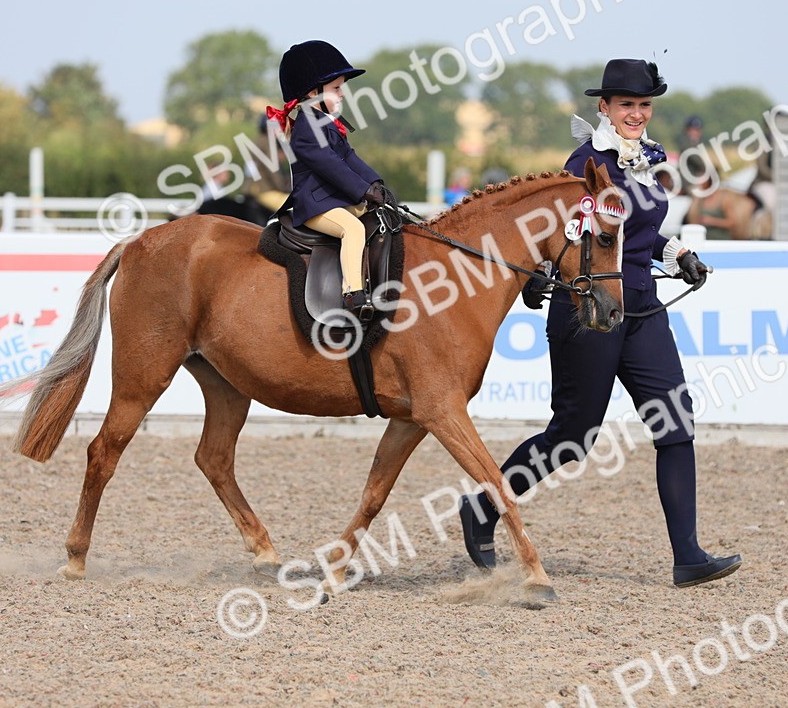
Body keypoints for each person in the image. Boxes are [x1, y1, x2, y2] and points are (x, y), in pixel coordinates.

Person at [458, 59, 742, 588]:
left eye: (644, 105)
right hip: (588, 311)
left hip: (641, 307)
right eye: (626, 105)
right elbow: (566, 235)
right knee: (573, 435)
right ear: (604, 108)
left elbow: (635, 232)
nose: (636, 114)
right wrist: (536, 275)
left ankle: (688, 556)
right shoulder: (586, 164)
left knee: (675, 424)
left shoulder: (646, 161)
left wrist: (676, 251)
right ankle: (484, 508)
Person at [272, 40, 393, 317]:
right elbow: (330, 166)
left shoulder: (326, 124)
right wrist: (363, 190)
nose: (342, 94)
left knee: (380, 217)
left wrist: (376, 185)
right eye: (336, 88)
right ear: (313, 92)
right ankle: (353, 293)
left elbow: (349, 157)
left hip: (332, 201)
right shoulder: (305, 128)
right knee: (353, 229)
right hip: (315, 206)